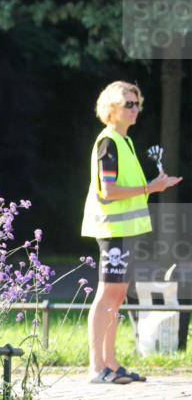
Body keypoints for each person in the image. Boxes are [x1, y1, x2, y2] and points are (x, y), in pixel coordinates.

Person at [81, 81, 182, 384]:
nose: (135, 109)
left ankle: (111, 364)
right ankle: (97, 367)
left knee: (118, 295)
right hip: (113, 231)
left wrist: (152, 186)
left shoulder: (124, 141)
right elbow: (108, 191)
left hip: (126, 231)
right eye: (128, 103)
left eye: (137, 103)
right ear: (111, 107)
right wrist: (151, 187)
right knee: (106, 295)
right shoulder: (108, 142)